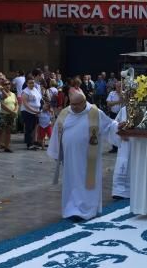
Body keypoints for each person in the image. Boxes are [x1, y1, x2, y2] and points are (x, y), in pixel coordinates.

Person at [47, 89, 120, 220]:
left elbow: (109, 126)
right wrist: (56, 152)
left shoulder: (95, 112)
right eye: (72, 104)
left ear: (84, 102)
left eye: (76, 105)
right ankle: (71, 209)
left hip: (88, 158)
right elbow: (57, 133)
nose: (73, 107)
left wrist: (119, 128)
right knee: (72, 182)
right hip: (70, 158)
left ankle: (87, 209)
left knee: (87, 182)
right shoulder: (64, 113)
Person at [21, 75, 43, 149]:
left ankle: (33, 142)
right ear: (27, 83)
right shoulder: (25, 91)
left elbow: (39, 99)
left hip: (35, 112)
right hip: (28, 112)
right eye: (30, 83)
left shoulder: (35, 89)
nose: (32, 84)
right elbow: (25, 104)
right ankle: (29, 144)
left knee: (34, 128)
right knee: (29, 128)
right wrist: (33, 110)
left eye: (33, 83)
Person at [0, 80, 18, 153]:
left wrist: (15, 110)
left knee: (8, 131)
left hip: (11, 115)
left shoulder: (13, 94)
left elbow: (16, 103)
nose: (8, 85)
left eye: (9, 84)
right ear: (3, 86)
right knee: (0, 131)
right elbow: (2, 105)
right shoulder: (1, 94)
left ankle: (7, 146)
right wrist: (11, 111)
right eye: (5, 84)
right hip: (4, 114)